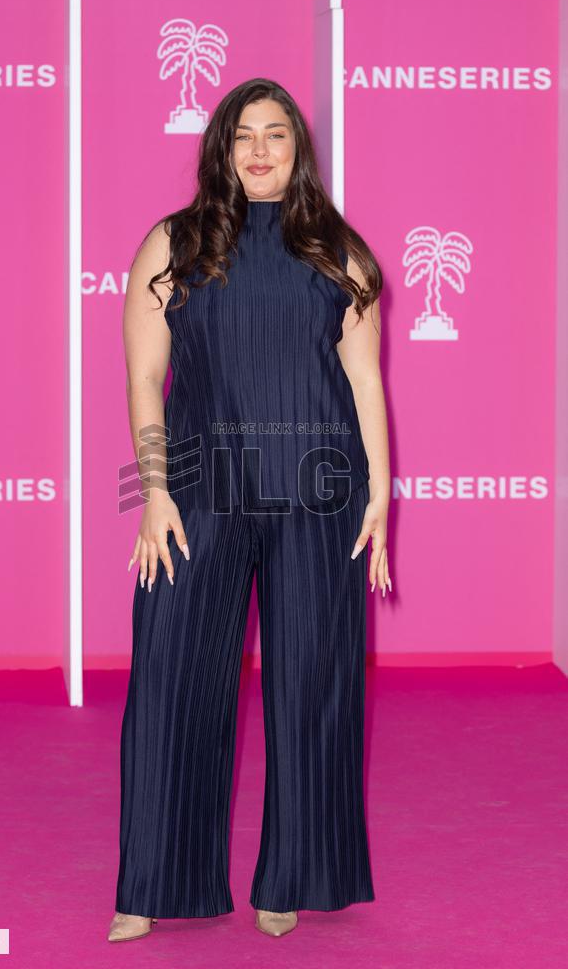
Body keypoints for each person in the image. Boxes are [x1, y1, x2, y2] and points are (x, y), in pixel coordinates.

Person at [108, 77, 391, 943]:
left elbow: (364, 381)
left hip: (321, 494)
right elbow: (144, 380)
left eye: (277, 133)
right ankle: (150, 885)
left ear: (298, 147)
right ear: (220, 150)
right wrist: (153, 493)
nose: (261, 149)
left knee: (313, 687)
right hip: (200, 492)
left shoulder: (339, 249)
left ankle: (292, 879)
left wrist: (379, 493)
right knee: (171, 681)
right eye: (243, 136)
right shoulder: (173, 242)